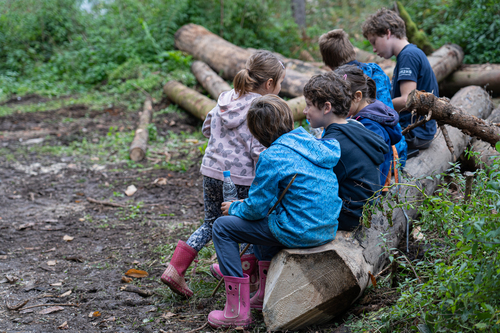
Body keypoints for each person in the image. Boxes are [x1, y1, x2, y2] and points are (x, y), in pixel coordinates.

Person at [207, 95, 342, 329]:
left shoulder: (272, 156)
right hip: (326, 226)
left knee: (222, 227)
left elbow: (256, 207)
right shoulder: (313, 142)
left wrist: (235, 207)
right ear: (288, 118)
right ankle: (264, 292)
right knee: (268, 219)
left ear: (258, 132)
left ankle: (237, 310)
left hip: (300, 229)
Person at [160, 50, 286, 298]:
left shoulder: (225, 98)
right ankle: (247, 278)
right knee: (247, 223)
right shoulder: (260, 109)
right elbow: (259, 151)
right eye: (280, 83)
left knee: (211, 222)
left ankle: (176, 268)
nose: (280, 88)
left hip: (211, 170)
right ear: (269, 84)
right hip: (240, 178)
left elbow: (207, 128)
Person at [303, 72, 388, 231]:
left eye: (309, 105)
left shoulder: (333, 145)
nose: (304, 111)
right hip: (365, 212)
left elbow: (318, 189)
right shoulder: (355, 127)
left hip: (349, 219)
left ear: (327, 107)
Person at [319, 28, 407, 163]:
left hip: (373, 156)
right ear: (351, 51)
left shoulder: (339, 85)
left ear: (330, 65)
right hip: (398, 149)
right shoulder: (375, 70)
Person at [362, 8, 439, 150]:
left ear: (387, 33)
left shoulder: (408, 56)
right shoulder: (407, 54)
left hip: (414, 133)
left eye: (374, 42)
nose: (373, 49)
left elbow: (406, 100)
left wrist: (372, 106)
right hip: (416, 131)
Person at [334, 64, 403, 186]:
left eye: (342, 100)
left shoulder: (371, 127)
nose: (337, 106)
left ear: (357, 96)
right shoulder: (371, 113)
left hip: (369, 191)